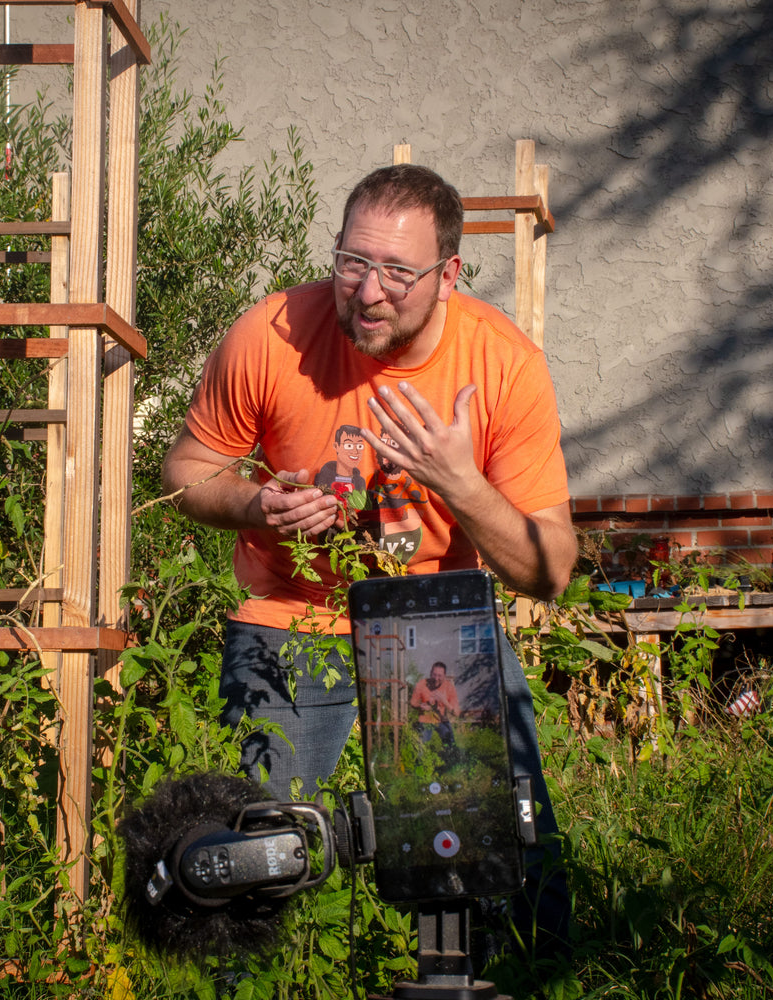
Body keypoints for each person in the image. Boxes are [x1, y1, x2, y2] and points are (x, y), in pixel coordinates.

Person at [161, 163, 575, 949]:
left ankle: (518, 968)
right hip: (289, 620)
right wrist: (257, 504)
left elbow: (548, 569)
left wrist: (461, 484)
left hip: (440, 627)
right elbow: (184, 472)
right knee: (252, 871)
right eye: (352, 261)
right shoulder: (271, 333)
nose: (368, 291)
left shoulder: (503, 364)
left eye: (397, 271)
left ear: (449, 274)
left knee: (511, 880)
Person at [410, 661, 461, 746]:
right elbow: (412, 702)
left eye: (440, 676)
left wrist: (444, 701)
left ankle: (448, 757)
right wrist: (420, 706)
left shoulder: (449, 687)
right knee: (421, 748)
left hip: (442, 720)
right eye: (434, 674)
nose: (436, 678)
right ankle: (422, 757)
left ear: (444, 676)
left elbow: (457, 713)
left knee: (451, 745)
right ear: (430, 673)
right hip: (425, 720)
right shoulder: (422, 684)